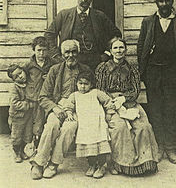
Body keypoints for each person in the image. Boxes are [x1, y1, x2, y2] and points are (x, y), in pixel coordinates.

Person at [137, 0, 176, 164]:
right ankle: (159, 147)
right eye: (161, 1)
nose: (164, 4)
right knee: (155, 109)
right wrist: (144, 71)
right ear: (157, 3)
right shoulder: (148, 22)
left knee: (170, 109)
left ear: (172, 2)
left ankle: (171, 149)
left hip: (172, 72)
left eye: (167, 1)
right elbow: (141, 48)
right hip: (153, 72)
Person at [96, 37, 158, 176]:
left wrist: (124, 98)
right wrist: (112, 102)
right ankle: (123, 163)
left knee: (143, 126)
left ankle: (145, 162)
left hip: (129, 101)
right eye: (115, 48)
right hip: (110, 103)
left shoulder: (132, 68)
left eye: (121, 48)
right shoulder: (102, 68)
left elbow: (136, 90)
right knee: (119, 127)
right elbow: (100, 89)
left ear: (126, 50)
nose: (119, 51)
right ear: (110, 51)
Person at [30, 39, 92, 180]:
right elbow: (43, 96)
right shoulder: (55, 70)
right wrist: (55, 109)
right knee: (52, 125)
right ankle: (39, 163)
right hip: (58, 106)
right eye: (67, 52)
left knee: (69, 128)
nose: (71, 55)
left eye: (74, 52)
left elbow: (91, 92)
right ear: (62, 54)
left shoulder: (86, 70)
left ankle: (53, 164)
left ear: (78, 53)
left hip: (78, 108)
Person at [44, 0, 121, 70]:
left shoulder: (100, 16)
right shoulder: (64, 15)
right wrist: (56, 55)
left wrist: (107, 53)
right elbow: (49, 35)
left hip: (95, 64)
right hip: (70, 63)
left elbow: (116, 34)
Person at [59, 71, 115, 179]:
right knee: (89, 146)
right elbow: (68, 106)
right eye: (80, 84)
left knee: (100, 145)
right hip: (85, 126)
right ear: (77, 84)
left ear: (91, 84)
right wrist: (69, 113)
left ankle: (101, 166)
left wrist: (109, 113)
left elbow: (108, 101)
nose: (83, 87)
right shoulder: (74, 95)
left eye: (86, 84)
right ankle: (92, 165)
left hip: (97, 124)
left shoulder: (96, 93)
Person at [25, 36, 55, 149]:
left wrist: (51, 77)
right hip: (35, 99)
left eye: (44, 50)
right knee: (36, 123)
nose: (41, 53)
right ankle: (36, 146)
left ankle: (48, 146)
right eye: (39, 50)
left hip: (48, 98)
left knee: (47, 122)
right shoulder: (29, 66)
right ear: (34, 50)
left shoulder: (53, 64)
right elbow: (22, 79)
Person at [7, 64, 34, 163]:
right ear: (14, 80)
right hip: (17, 117)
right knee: (17, 136)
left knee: (27, 135)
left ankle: (22, 151)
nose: (21, 76)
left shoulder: (29, 83)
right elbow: (14, 103)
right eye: (16, 76)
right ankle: (17, 153)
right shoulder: (15, 88)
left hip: (28, 116)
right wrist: (28, 105)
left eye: (20, 73)